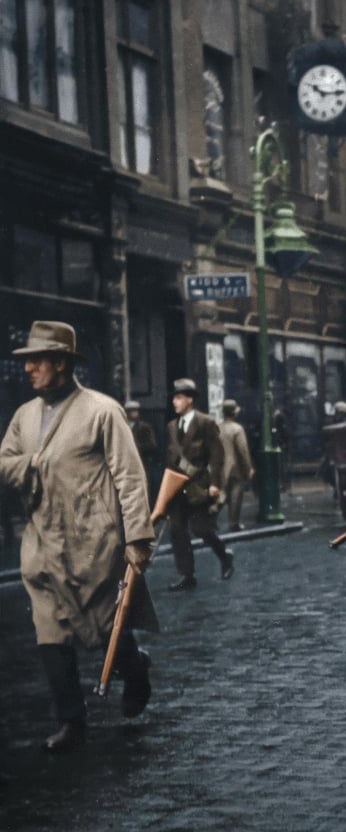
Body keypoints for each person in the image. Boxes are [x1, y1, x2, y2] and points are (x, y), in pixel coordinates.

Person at [0, 321, 156, 752]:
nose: (29, 368)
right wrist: (35, 463)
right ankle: (72, 721)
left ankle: (135, 667)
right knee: (49, 630)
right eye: (26, 360)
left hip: (95, 540)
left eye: (38, 360)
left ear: (63, 364)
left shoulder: (102, 411)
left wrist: (137, 537)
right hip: (42, 540)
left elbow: (128, 476)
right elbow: (6, 461)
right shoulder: (24, 416)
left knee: (106, 627)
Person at [165, 378, 234, 590]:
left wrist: (215, 484)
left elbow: (217, 456)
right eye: (174, 398)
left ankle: (224, 556)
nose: (174, 402)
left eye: (178, 398)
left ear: (189, 400)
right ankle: (187, 575)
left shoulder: (205, 422)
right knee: (177, 531)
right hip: (178, 487)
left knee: (202, 529)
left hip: (200, 487)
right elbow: (170, 459)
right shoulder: (171, 427)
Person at [219, 399, 254, 532]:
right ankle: (234, 523)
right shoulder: (237, 429)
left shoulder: (218, 427)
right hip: (235, 467)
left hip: (220, 466)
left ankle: (210, 522)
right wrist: (248, 467)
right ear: (234, 413)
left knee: (221, 494)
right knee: (235, 495)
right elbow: (242, 450)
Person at [124, 399, 158, 488]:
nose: (134, 413)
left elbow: (152, 445)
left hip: (142, 464)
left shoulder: (144, 427)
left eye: (135, 410)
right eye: (131, 410)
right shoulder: (123, 427)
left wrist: (135, 447)